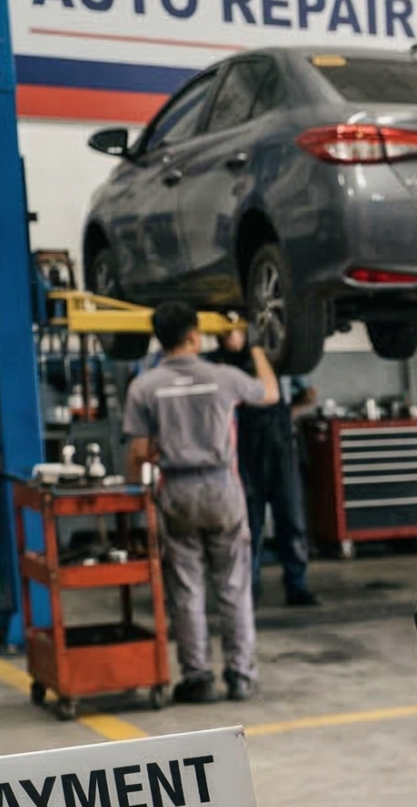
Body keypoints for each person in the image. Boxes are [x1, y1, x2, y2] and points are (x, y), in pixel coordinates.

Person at [125, 302, 280, 704]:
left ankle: (198, 678)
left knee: (188, 590)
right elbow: (271, 392)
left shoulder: (145, 386)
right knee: (233, 586)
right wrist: (257, 348)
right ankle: (241, 676)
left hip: (176, 490)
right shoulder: (224, 377)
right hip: (222, 488)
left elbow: (140, 452)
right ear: (195, 336)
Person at [208, 326, 314, 607]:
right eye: (225, 331)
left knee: (292, 521)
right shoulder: (216, 365)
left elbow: (309, 394)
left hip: (280, 451)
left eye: (236, 330)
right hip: (242, 454)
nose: (231, 335)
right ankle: (248, 588)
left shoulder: (275, 361)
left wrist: (288, 414)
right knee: (247, 526)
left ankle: (297, 585)